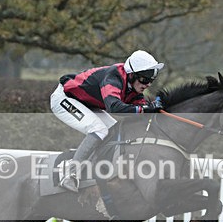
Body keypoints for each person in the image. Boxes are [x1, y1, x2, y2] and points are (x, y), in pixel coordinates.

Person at [50, 50, 165, 192]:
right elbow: (115, 107)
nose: (147, 84)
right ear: (132, 74)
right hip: (65, 99)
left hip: (86, 103)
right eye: (144, 79)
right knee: (98, 129)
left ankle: (91, 167)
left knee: (114, 130)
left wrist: (155, 110)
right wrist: (146, 109)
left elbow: (140, 108)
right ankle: (70, 174)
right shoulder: (113, 77)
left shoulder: (133, 87)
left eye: (151, 80)